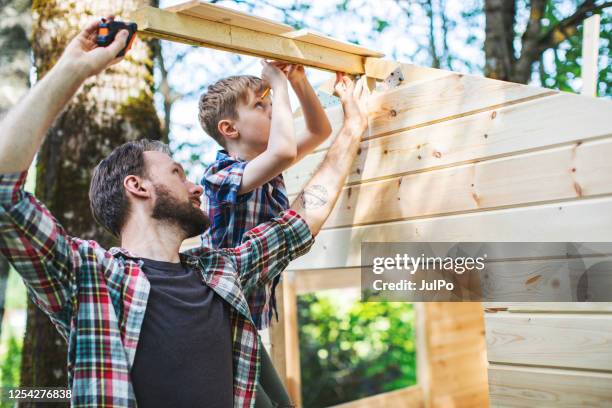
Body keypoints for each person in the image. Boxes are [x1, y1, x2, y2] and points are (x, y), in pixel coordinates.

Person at [0, 18, 369, 408]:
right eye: (177, 173)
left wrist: (354, 128)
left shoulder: (220, 274)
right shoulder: (91, 278)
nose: (196, 186)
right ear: (137, 187)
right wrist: (72, 69)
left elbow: (301, 220)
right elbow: (6, 196)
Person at [198, 58, 336, 406]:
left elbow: (320, 131)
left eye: (270, 103)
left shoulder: (268, 168)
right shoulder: (220, 177)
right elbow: (285, 149)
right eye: (260, 105)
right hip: (210, 326)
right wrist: (278, 85)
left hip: (240, 324)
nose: (272, 109)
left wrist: (299, 82)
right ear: (230, 129)